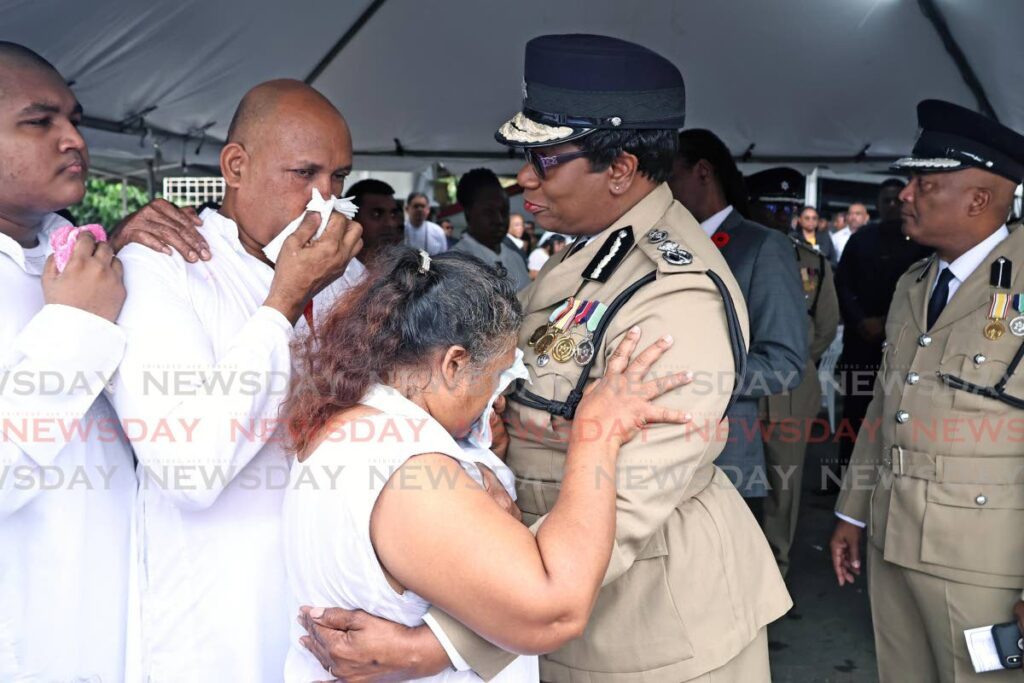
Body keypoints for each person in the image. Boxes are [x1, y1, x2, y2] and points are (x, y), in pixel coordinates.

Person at [298, 33, 790, 683]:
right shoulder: (583, 255)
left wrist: (440, 643)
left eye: (545, 157)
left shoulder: (675, 295)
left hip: (651, 633)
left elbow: (629, 503)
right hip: (544, 602)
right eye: (523, 154)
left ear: (620, 169)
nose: (524, 176)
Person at [282, 248, 690, 682]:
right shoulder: (408, 468)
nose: (498, 397)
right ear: (454, 364)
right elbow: (555, 610)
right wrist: (598, 434)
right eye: (498, 375)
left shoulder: (352, 422)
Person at [109, 79, 363, 682]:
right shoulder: (163, 265)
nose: (325, 202)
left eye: (340, 180)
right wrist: (284, 300)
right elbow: (188, 465)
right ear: (236, 167)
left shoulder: (348, 277)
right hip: (216, 620)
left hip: (329, 606)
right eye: (304, 174)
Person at [0, 41, 214, 682]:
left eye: (74, 118)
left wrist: (114, 255)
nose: (73, 139)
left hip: (132, 624)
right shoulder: (79, 295)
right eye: (40, 122)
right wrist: (74, 326)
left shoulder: (77, 255)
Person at [830, 99, 1024, 682]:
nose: (905, 194)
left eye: (924, 182)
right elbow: (884, 411)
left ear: (978, 199)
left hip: (985, 560)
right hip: (895, 540)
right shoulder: (915, 283)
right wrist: (853, 513)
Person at [670, 128, 808, 501]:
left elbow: (784, 364)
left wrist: (690, 381)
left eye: (669, 177)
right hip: (659, 467)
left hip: (726, 463)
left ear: (702, 172)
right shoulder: (661, 244)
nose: (659, 192)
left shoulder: (762, 246)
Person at [833, 179, 930, 485]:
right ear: (877, 203)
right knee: (855, 411)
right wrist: (860, 320)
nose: (892, 205)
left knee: (895, 410)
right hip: (860, 340)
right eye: (885, 200)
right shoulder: (861, 239)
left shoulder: (921, 242)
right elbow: (842, 285)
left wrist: (887, 321)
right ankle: (846, 475)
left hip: (901, 342)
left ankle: (888, 477)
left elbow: (921, 290)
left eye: (896, 200)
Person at [452, 167, 530, 290]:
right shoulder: (453, 263)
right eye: (488, 212)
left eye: (504, 211)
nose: (499, 220)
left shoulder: (515, 258)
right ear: (468, 213)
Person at [347, 178, 403, 264]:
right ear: (352, 218)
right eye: (376, 214)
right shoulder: (332, 273)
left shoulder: (402, 269)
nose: (390, 223)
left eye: (393, 214)